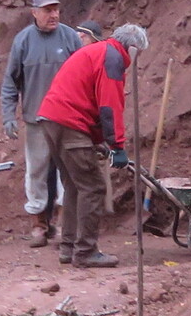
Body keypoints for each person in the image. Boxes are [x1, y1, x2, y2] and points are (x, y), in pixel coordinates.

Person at [35, 21, 148, 268]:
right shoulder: (112, 58)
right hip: (69, 121)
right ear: (132, 48)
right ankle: (85, 251)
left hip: (52, 119)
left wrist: (98, 141)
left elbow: (88, 98)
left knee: (75, 185)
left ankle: (69, 248)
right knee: (93, 187)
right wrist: (117, 146)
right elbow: (109, 106)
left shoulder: (97, 52)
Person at [0, 0, 88, 247]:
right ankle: (39, 224)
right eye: (48, 10)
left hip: (66, 119)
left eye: (56, 9)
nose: (54, 15)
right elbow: (11, 81)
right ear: (34, 13)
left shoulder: (70, 37)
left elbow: (85, 76)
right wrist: (8, 115)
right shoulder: (23, 41)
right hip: (36, 118)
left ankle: (62, 223)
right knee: (36, 170)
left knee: (66, 171)